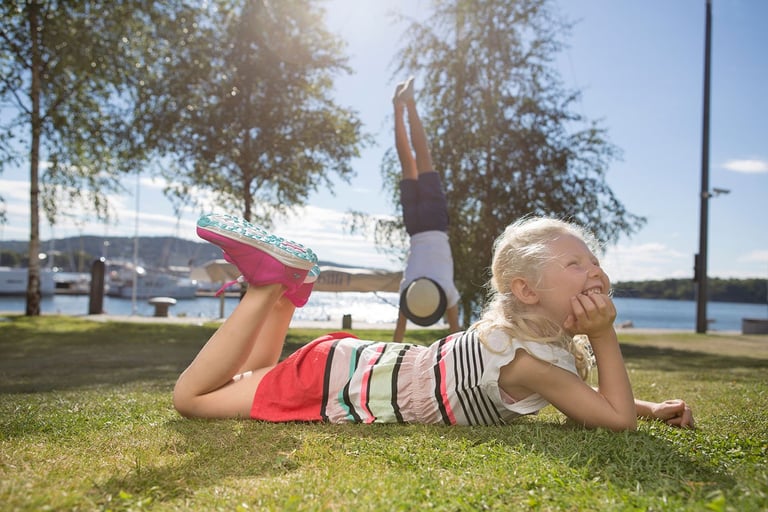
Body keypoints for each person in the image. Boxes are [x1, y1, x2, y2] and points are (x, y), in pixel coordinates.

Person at [173, 212, 695, 430]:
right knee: (191, 401)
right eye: (575, 263)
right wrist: (603, 335)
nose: (594, 270)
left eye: (594, 261)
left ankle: (286, 294)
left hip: (348, 362)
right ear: (526, 290)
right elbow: (614, 419)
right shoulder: (528, 360)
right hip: (335, 378)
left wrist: (649, 407)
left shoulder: (533, 348)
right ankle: (269, 287)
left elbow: (598, 402)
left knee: (250, 379)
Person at [391, 77, 461, 342]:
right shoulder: (408, 288)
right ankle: (398, 108)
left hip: (435, 224)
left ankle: (409, 104)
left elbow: (455, 335)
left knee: (422, 157)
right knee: (407, 164)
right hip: (414, 227)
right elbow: (397, 335)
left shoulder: (447, 290)